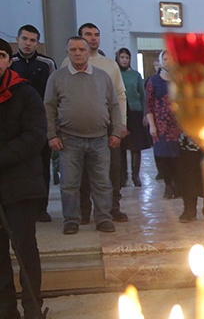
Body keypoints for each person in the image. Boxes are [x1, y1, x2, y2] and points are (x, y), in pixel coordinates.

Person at [45, 36, 121, 235]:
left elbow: (114, 105)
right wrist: (52, 134)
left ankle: (103, 218)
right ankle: (71, 220)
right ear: (67, 52)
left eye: (81, 49)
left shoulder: (102, 76)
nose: (77, 53)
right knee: (69, 184)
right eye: (73, 50)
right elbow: (49, 107)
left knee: (102, 183)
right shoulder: (57, 77)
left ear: (88, 52)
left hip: (100, 139)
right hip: (69, 140)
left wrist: (116, 132)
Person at [0, 38, 47, 319]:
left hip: (20, 182)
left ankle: (32, 305)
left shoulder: (25, 93)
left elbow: (34, 136)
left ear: (8, 60)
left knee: (24, 246)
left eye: (0, 55)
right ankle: (5, 308)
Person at [69, 23, 128, 223]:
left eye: (96, 34)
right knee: (83, 174)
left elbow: (120, 95)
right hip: (76, 131)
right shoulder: (65, 65)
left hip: (108, 128)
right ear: (80, 38)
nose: (93, 38)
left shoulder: (110, 65)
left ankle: (113, 208)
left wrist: (122, 124)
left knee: (113, 171)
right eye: (88, 35)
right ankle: (84, 211)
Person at [9, 25, 57, 222]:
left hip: (40, 124)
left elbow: (53, 95)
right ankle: (17, 207)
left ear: (37, 42)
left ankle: (41, 208)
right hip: (14, 126)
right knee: (17, 166)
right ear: (18, 39)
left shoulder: (47, 63)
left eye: (32, 40)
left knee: (42, 165)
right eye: (24, 39)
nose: (28, 43)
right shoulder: (9, 62)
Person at [145, 50, 181, 200]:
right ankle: (168, 186)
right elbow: (149, 105)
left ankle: (177, 186)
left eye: (170, 58)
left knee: (178, 157)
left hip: (178, 126)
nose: (168, 61)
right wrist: (152, 125)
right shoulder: (153, 81)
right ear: (160, 61)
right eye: (165, 59)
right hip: (161, 126)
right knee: (164, 158)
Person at [115, 48, 150, 187]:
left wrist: (145, 114)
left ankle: (136, 175)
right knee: (121, 146)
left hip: (135, 112)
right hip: (120, 112)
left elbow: (143, 95)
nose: (124, 60)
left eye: (126, 57)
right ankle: (123, 176)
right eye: (122, 57)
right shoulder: (115, 74)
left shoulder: (135, 75)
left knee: (136, 146)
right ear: (117, 58)